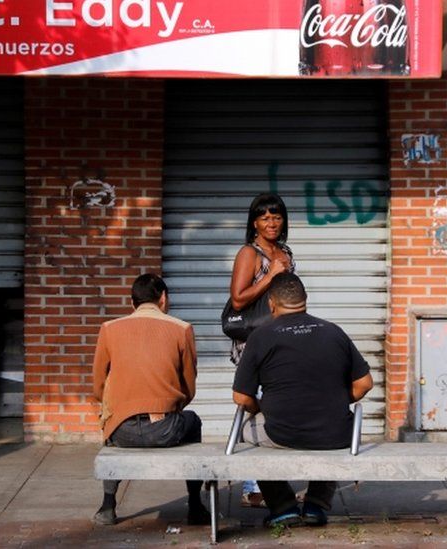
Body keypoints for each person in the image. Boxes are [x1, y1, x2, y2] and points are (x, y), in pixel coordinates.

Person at [232, 273, 373, 528]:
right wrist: (339, 399)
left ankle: (282, 506)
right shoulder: (334, 331)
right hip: (335, 433)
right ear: (305, 300)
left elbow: (241, 397)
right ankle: (316, 505)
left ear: (271, 303)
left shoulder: (260, 337)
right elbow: (364, 384)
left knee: (247, 431)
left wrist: (261, 409)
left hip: (280, 433)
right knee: (336, 426)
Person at [91, 273, 210, 526]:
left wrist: (115, 410)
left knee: (111, 418)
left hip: (122, 430)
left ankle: (107, 506)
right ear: (163, 299)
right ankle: (196, 505)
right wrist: (168, 408)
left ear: (131, 302)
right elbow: (189, 386)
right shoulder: (182, 329)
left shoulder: (109, 329)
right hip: (166, 429)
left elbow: (98, 385)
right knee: (194, 421)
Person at [229, 192, 296, 508]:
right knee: (252, 404)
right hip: (255, 343)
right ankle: (251, 485)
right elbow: (239, 299)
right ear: (254, 222)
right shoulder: (249, 254)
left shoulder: (284, 252)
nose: (272, 223)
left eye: (277, 216)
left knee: (278, 404)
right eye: (265, 217)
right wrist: (271, 275)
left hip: (282, 339)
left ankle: (272, 482)